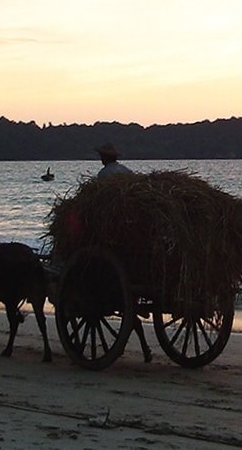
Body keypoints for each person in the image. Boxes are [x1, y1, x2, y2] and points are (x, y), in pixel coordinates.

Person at [92, 142, 152, 362]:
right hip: (131, 227)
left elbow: (98, 203)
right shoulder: (127, 172)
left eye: (101, 156)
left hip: (112, 230)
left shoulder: (103, 175)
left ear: (104, 158)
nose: (101, 159)